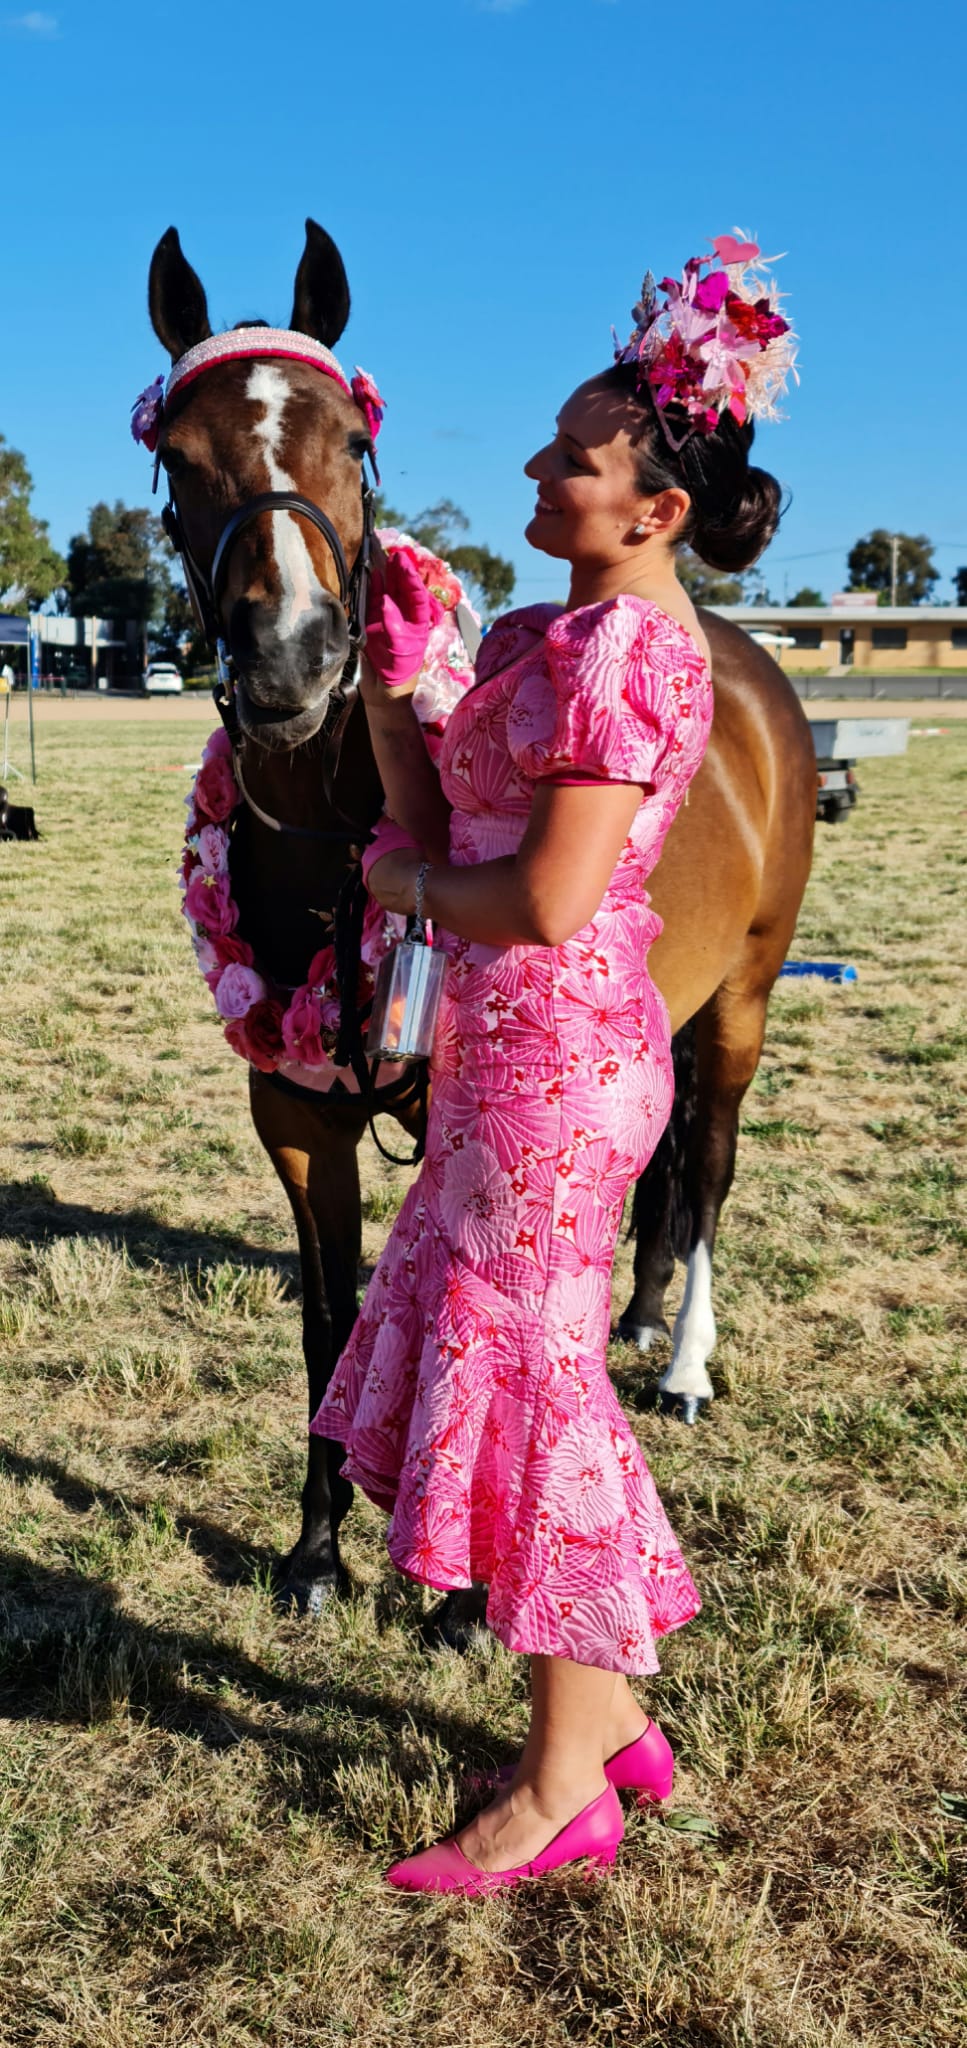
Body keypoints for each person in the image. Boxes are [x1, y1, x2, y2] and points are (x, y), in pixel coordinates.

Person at [310, 235, 796, 1894]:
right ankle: (619, 1717)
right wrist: (392, 689)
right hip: (493, 1061)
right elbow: (443, 794)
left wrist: (401, 892)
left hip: (563, 1065)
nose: (531, 466)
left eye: (571, 458)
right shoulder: (537, 629)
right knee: (532, 1379)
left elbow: (541, 894)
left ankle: (562, 1781)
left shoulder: (635, 658)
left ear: (655, 511)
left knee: (532, 1395)